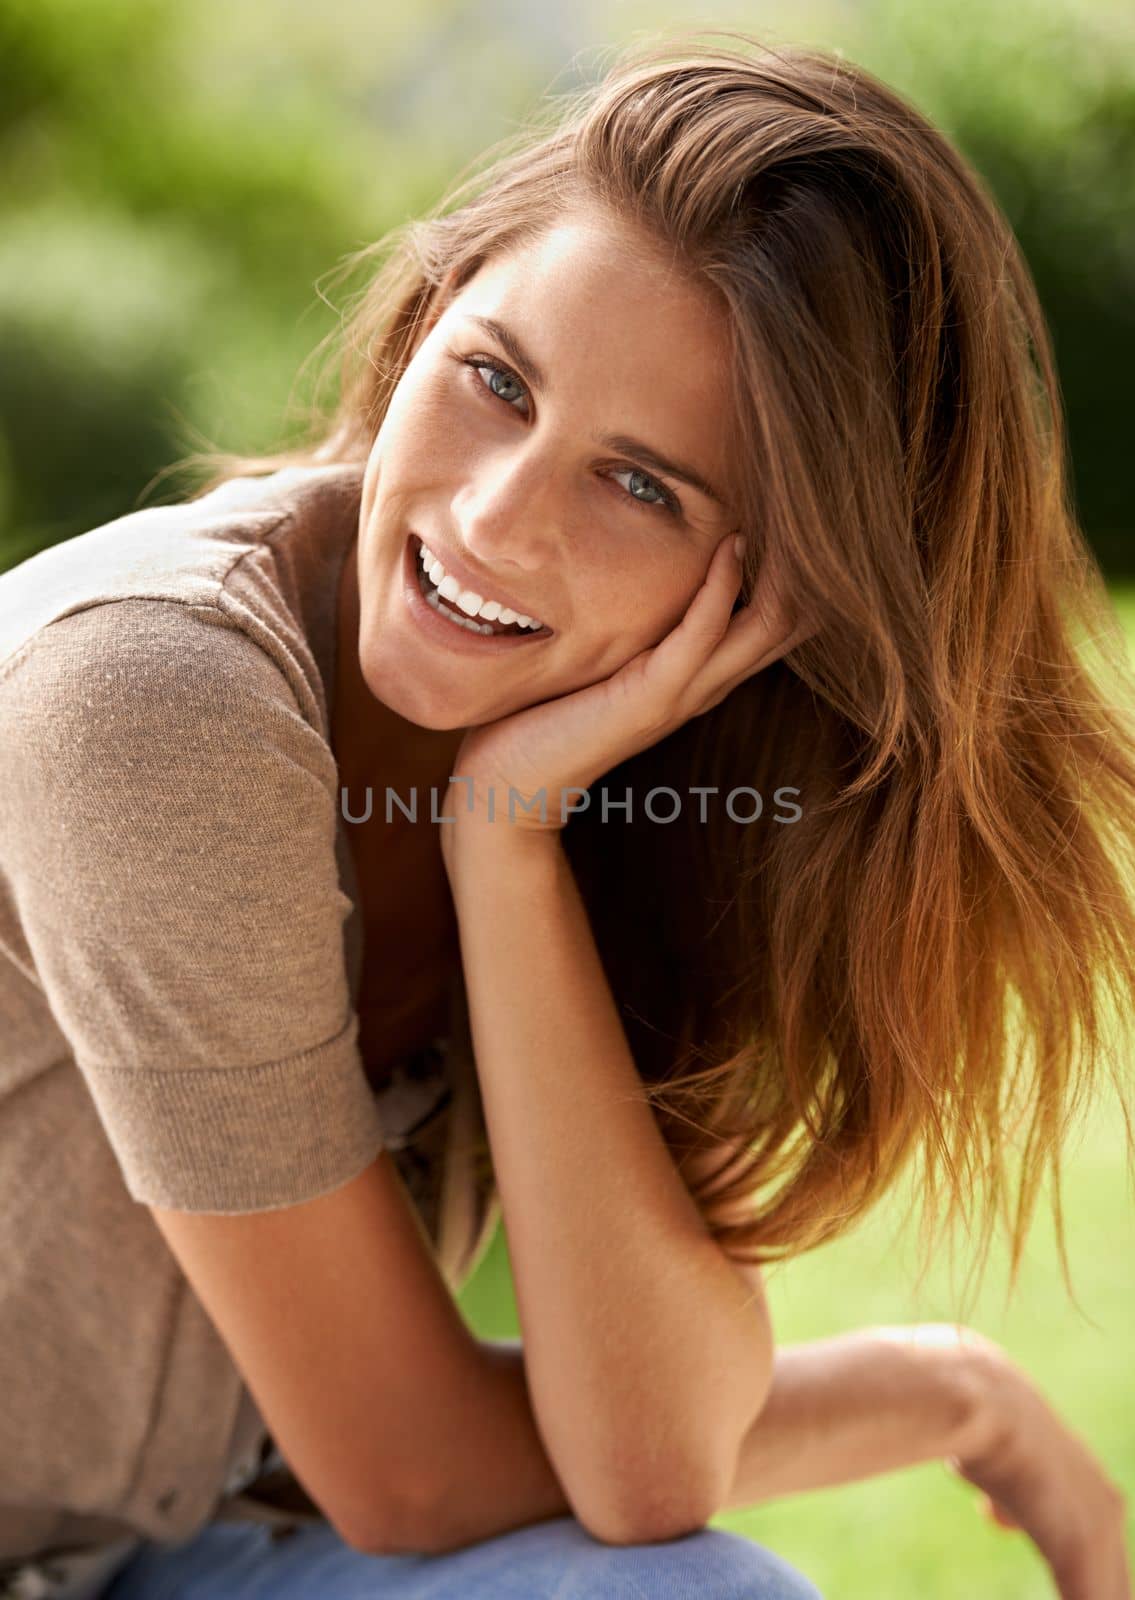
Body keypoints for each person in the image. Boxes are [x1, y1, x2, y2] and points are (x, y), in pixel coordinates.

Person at [1, 29, 1132, 1600]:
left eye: (645, 487)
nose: (494, 520)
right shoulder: (145, 693)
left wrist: (508, 843)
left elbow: (645, 1456)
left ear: (779, 593)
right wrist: (942, 1396)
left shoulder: (614, 787)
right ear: (422, 324)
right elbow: (406, 1474)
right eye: (497, 381)